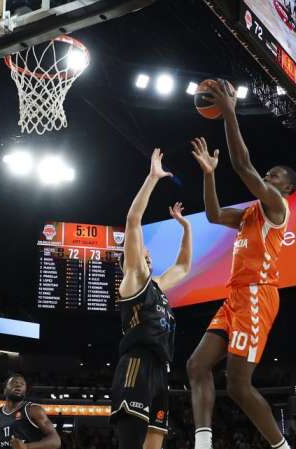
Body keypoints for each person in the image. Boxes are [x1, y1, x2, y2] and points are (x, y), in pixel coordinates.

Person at [187, 79, 296, 449]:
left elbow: (242, 165)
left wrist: (230, 113)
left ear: (286, 188)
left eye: (276, 175)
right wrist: (208, 174)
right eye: (269, 173)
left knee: (237, 385)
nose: (269, 174)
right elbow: (214, 214)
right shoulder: (252, 212)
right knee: (197, 365)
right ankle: (202, 444)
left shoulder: (277, 208)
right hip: (234, 296)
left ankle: (281, 447)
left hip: (257, 295)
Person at [110, 148, 192, 449]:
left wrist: (186, 228)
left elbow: (183, 266)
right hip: (137, 362)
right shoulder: (132, 279)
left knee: (155, 443)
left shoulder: (157, 285)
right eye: (142, 251)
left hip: (161, 368)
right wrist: (152, 177)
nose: (147, 251)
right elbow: (133, 220)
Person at [0, 375, 60, 449]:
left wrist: (27, 447)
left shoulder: (33, 410)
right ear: (4, 390)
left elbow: (56, 441)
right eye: (14, 383)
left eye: (22, 384)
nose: (18, 385)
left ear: (25, 391)